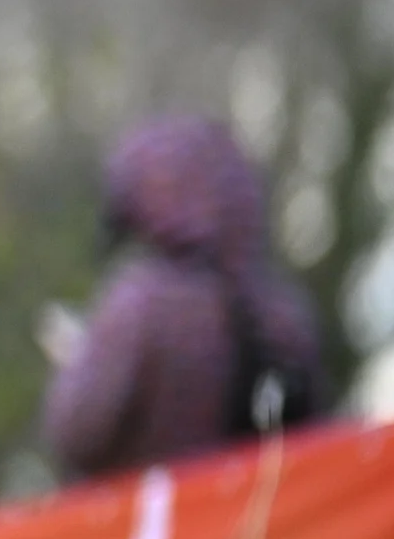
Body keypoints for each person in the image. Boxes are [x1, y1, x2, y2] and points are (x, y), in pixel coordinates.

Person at [37, 112, 327, 481]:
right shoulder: (282, 309)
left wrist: (77, 363)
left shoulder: (142, 303)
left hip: (170, 527)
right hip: (268, 523)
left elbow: (77, 433)